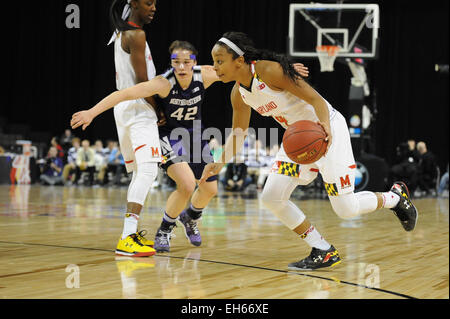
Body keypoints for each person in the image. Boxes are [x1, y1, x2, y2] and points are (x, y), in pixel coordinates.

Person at [199, 31, 418, 271]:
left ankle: (395, 198)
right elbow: (238, 133)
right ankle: (323, 249)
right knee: (272, 196)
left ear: (239, 60)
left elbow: (317, 101)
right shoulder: (238, 95)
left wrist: (324, 126)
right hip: (298, 140)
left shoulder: (268, 71)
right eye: (214, 62)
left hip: (327, 129)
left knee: (345, 209)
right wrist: (220, 162)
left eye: (220, 61)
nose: (215, 67)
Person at [71, 39, 310, 253]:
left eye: (187, 61)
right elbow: (125, 93)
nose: (182, 67)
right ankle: (164, 229)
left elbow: (245, 68)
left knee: (210, 189)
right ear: (172, 63)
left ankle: (190, 217)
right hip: (168, 136)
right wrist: (91, 112)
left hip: (194, 136)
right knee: (186, 184)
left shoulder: (206, 74)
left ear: (195, 62)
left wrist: (282, 70)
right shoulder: (163, 83)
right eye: (177, 62)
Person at [71, 0, 162, 257]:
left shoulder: (122, 31)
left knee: (138, 173)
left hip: (123, 107)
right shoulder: (136, 34)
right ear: (133, 4)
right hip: (139, 105)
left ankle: (128, 234)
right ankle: (126, 237)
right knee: (147, 171)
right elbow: (144, 82)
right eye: (148, 3)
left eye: (155, 3)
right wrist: (160, 109)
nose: (153, 7)